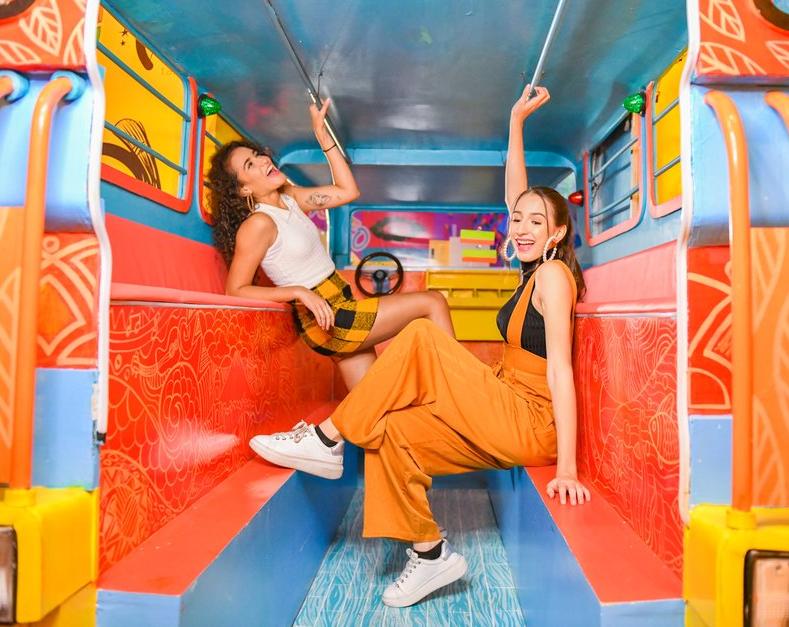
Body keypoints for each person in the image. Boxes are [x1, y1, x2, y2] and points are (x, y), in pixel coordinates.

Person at [249, 85, 591, 608]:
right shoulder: (531, 263)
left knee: (423, 334)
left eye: (535, 223)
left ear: (557, 233)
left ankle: (327, 437)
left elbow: (561, 373)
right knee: (391, 431)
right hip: (503, 400)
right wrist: (516, 123)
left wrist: (566, 466)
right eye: (517, 220)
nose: (520, 227)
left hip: (531, 418)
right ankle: (430, 554)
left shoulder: (553, 277)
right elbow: (516, 196)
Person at [205, 98, 455, 394]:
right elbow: (236, 289)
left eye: (257, 154)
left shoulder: (290, 198)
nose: (262, 161)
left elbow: (348, 191)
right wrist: (299, 292)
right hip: (324, 316)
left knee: (372, 406)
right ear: (244, 188)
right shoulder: (258, 224)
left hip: (340, 302)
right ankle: (458, 389)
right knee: (433, 301)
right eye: (250, 164)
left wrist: (323, 137)